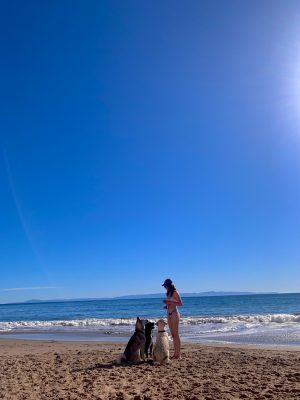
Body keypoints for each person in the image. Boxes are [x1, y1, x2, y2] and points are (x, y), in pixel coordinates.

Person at [162, 278, 183, 359]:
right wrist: (166, 305)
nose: (165, 287)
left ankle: (178, 354)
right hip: (169, 313)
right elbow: (171, 303)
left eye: (165, 286)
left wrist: (169, 302)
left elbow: (180, 303)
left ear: (169, 285)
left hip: (174, 313)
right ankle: (175, 354)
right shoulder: (168, 293)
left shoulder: (175, 292)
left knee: (176, 334)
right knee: (173, 335)